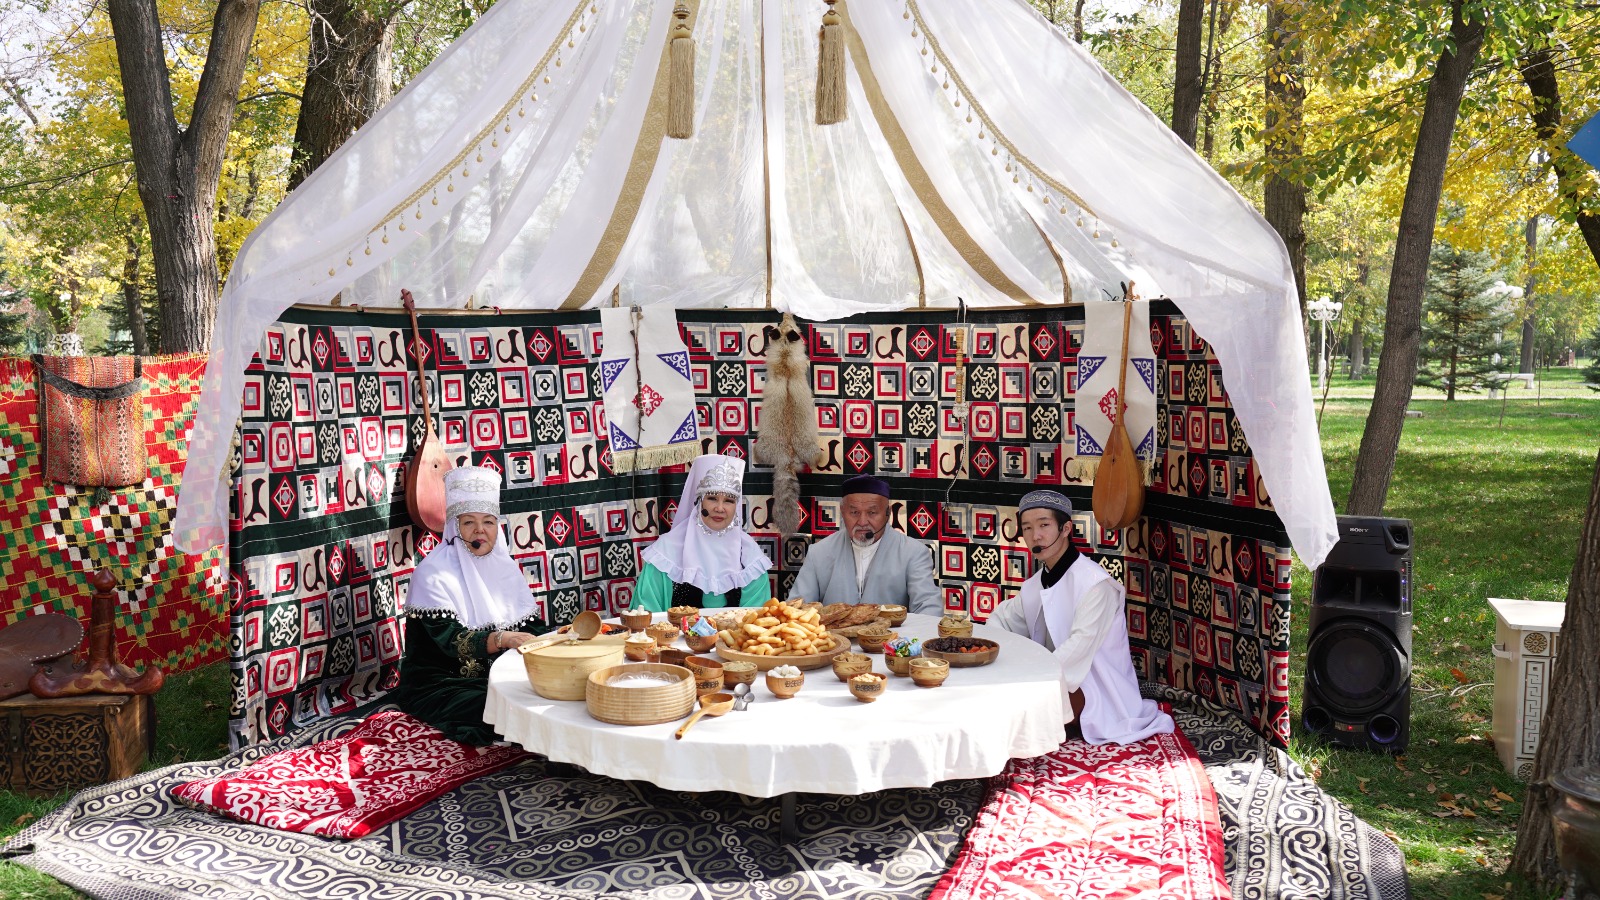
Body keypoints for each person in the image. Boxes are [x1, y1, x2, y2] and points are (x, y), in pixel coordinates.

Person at [988, 489, 1173, 745]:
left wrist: (1028, 677)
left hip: (1097, 690)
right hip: (1051, 677)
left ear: (1066, 529)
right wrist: (992, 657)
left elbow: (1077, 648)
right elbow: (1002, 620)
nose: (1035, 536)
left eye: (1044, 525)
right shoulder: (1035, 584)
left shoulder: (1095, 585)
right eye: (1027, 528)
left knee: (1012, 715)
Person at [397, 465, 549, 744]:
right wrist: (502, 639)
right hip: (443, 683)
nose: (480, 530)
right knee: (505, 708)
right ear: (454, 527)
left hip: (497, 674)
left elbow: (532, 628)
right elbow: (453, 642)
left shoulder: (505, 569)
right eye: (469, 522)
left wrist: (564, 638)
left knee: (556, 692)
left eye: (488, 522)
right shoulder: (432, 574)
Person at [635, 454, 773, 610]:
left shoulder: (750, 558)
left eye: (729, 501)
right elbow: (646, 614)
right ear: (699, 501)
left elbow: (757, 619)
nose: (719, 508)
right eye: (712, 498)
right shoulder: (664, 554)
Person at [788, 474, 940, 615]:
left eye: (872, 513)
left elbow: (929, 610)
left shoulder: (913, 553)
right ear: (842, 511)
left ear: (888, 513)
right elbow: (796, 610)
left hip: (894, 635)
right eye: (854, 513)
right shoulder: (819, 552)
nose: (862, 522)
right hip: (832, 635)